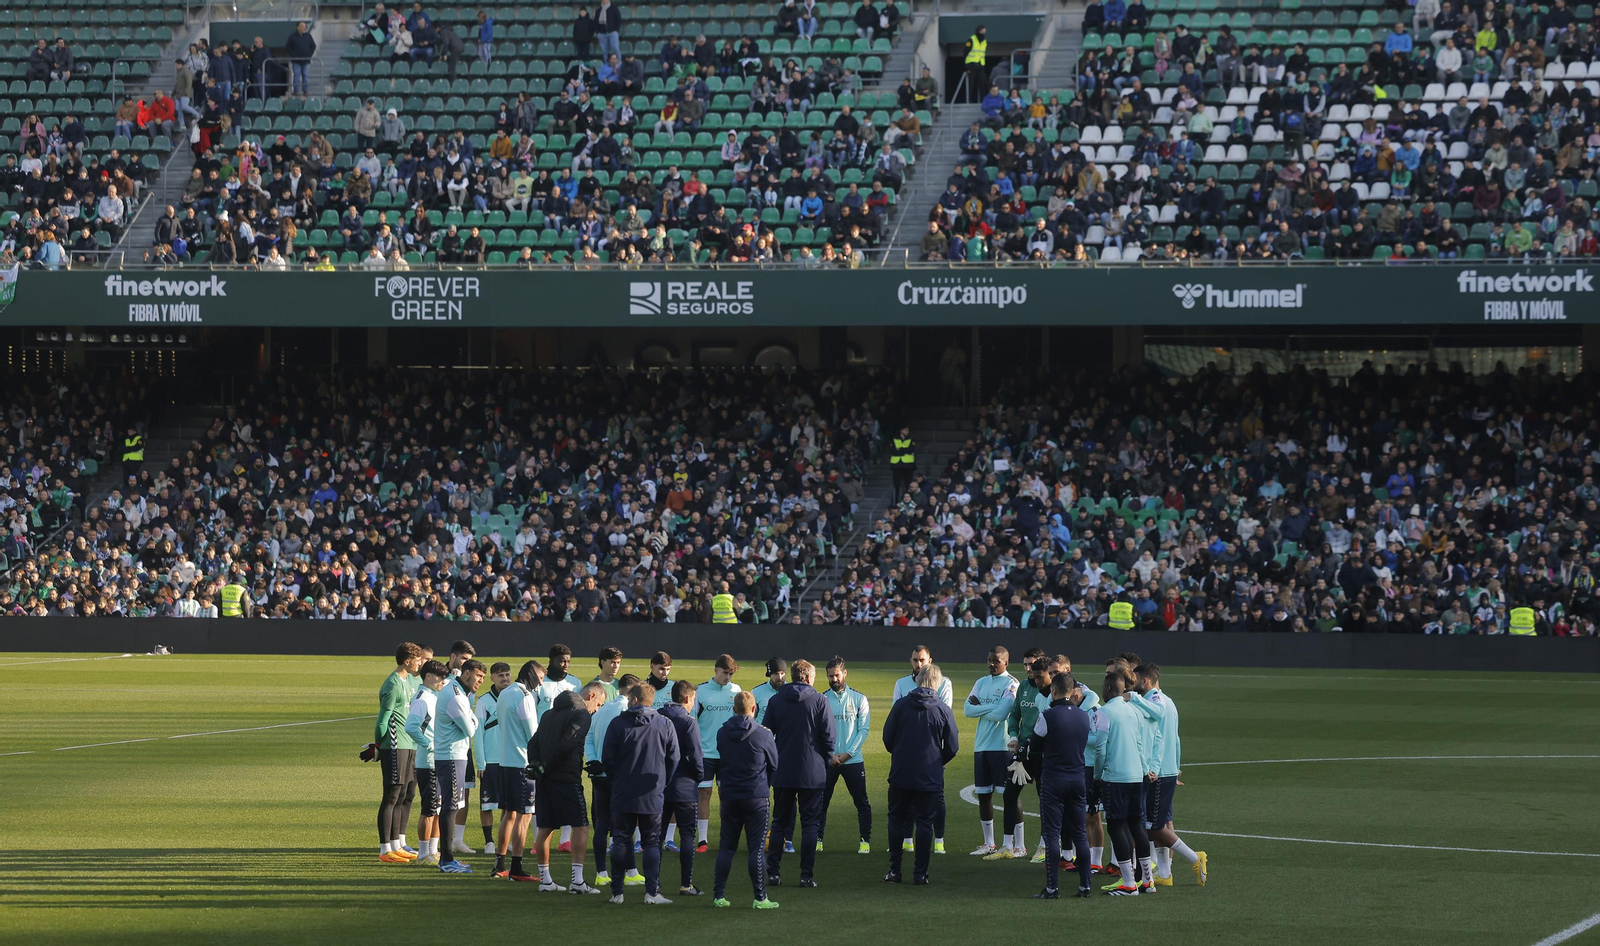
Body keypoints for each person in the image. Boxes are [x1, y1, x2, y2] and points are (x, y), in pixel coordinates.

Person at [604, 680, 680, 904]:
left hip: (623, 790)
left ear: (635, 699)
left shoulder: (617, 724)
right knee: (652, 841)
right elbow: (674, 758)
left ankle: (617, 892)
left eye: (629, 698)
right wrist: (662, 781)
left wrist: (617, 780)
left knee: (621, 840)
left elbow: (607, 759)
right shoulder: (664, 724)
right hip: (651, 791)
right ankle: (652, 892)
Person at [881, 662, 958, 884]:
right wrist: (936, 762)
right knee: (925, 824)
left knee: (896, 820)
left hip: (901, 772)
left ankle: (895, 870)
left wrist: (900, 755)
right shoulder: (943, 709)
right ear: (937, 684)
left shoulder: (901, 705)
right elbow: (953, 746)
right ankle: (920, 873)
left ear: (917, 679)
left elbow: (887, 737)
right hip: (929, 776)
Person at [762, 659, 835, 888]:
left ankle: (773, 873)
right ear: (809, 678)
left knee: (779, 822)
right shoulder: (820, 701)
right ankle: (806, 876)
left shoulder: (775, 700)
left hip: (783, 769)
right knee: (810, 824)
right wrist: (824, 760)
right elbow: (829, 738)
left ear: (793, 676)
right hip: (812, 772)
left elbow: (766, 734)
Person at [531, 681, 608, 893]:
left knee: (545, 828)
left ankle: (545, 881)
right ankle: (577, 881)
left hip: (545, 780)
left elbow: (533, 742)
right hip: (566, 777)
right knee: (581, 826)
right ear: (592, 696)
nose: (597, 710)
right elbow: (569, 743)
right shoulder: (582, 714)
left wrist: (536, 766)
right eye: (599, 704)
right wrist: (546, 767)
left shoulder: (548, 714)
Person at [1133, 663, 1206, 885]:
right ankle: (1164, 874)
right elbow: (1175, 739)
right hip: (1166, 770)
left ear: (1145, 680)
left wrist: (1133, 699)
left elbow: (1162, 730)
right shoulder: (1169, 701)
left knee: (1153, 827)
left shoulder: (1155, 702)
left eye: (1135, 679)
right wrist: (1176, 766)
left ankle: (1195, 857)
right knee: (1159, 823)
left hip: (1158, 773)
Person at [1096, 669, 1162, 895]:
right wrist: (1144, 770)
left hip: (1116, 777)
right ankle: (1147, 881)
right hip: (1136, 776)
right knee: (1137, 825)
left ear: (1107, 689)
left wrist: (1097, 776)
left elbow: (1100, 749)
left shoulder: (1104, 712)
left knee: (1116, 826)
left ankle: (1128, 882)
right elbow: (1140, 744)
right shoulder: (1133, 711)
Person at [1031, 671, 1096, 898]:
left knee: (1052, 834)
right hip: (1078, 780)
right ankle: (1085, 886)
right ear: (1073, 692)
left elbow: (1035, 746)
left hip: (1054, 781)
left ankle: (1052, 888)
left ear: (1054, 690)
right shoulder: (1084, 716)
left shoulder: (1047, 715)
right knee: (1080, 834)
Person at [713, 691, 780, 908]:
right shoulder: (763, 734)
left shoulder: (722, 733)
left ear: (734, 708)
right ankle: (760, 898)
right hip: (756, 797)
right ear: (754, 709)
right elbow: (774, 765)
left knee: (726, 847)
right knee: (756, 849)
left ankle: (719, 895)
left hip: (731, 796)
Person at [586, 674, 646, 888]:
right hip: (620, 776)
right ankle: (629, 872)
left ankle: (601, 873)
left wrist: (594, 761)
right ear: (634, 693)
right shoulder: (628, 713)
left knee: (602, 824)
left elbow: (589, 738)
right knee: (625, 826)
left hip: (599, 775)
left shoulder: (601, 711)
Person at [891, 645, 952, 853]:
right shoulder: (901, 683)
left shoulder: (944, 682)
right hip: (919, 754)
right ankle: (908, 841)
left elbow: (945, 714)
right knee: (909, 801)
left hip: (932, 752)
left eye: (922, 660)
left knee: (938, 798)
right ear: (911, 661)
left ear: (930, 661)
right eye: (915, 660)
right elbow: (895, 720)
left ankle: (939, 840)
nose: (919, 664)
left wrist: (939, 758)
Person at [491, 659, 544, 881]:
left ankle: (499, 865)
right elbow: (532, 733)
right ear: (532, 675)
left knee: (509, 814)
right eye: (540, 678)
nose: (540, 684)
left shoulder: (505, 693)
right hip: (523, 764)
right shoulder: (524, 697)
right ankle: (516, 868)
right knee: (524, 815)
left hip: (506, 761)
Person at [964, 645, 1019, 856]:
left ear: (1006, 662)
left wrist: (982, 708)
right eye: (989, 660)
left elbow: (1002, 714)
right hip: (982, 746)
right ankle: (989, 843)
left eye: (996, 661)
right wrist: (991, 708)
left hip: (1002, 746)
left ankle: (1016, 844)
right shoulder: (980, 682)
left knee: (1010, 796)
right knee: (984, 794)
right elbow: (967, 710)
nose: (991, 664)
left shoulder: (1011, 683)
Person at [997, 651, 1049, 861]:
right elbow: (1015, 713)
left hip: (1043, 754)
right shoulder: (1024, 687)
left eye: (1033, 665)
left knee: (1045, 800)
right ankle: (1008, 846)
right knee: (1009, 794)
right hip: (1023, 753)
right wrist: (1013, 736)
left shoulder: (1051, 691)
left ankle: (1045, 847)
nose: (1028, 670)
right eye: (1026, 665)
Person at [374, 642, 424, 863]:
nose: (419, 663)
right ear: (407, 661)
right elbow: (382, 721)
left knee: (403, 794)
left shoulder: (409, 680)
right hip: (394, 745)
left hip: (409, 744)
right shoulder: (393, 685)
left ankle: (396, 844)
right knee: (392, 795)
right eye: (417, 659)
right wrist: (378, 746)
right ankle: (385, 849)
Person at [433, 658, 481, 873]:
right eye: (478, 676)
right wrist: (474, 719)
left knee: (452, 805)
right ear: (467, 672)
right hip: (452, 755)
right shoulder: (454, 694)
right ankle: (446, 860)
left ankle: (447, 858)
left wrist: (472, 718)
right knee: (451, 806)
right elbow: (471, 729)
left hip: (453, 755)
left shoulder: (457, 691)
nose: (480, 681)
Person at [819, 656, 871, 854]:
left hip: (853, 760)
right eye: (830, 676)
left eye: (837, 675)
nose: (834, 679)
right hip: (829, 760)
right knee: (821, 802)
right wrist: (831, 755)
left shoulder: (859, 698)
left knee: (861, 802)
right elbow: (818, 731)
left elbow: (863, 730)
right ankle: (817, 839)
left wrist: (848, 754)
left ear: (845, 673)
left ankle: (865, 841)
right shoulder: (822, 699)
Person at [660, 681, 705, 895]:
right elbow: (696, 756)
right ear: (687, 698)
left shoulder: (656, 716)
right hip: (685, 786)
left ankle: (654, 884)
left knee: (655, 837)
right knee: (687, 835)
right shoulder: (688, 722)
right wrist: (698, 776)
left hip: (658, 785)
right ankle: (686, 884)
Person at [404, 659, 450, 866]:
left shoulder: (434, 696)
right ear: (429, 676)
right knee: (429, 808)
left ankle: (433, 850)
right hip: (428, 762)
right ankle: (423, 854)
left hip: (438, 761)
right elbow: (411, 727)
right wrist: (430, 745)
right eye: (440, 677)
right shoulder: (422, 699)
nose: (443, 681)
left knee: (438, 808)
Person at [694, 655, 742, 853]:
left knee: (727, 796)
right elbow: (692, 721)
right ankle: (702, 841)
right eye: (725, 673)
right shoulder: (701, 691)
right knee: (703, 794)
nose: (728, 677)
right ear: (716, 670)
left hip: (728, 754)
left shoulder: (737, 690)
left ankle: (726, 838)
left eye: (731, 674)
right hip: (705, 753)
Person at [538, 643, 580, 852]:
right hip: (544, 743)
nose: (565, 665)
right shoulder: (540, 682)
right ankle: (540, 840)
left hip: (566, 745)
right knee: (543, 792)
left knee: (564, 790)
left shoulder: (575, 683)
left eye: (568, 661)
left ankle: (565, 840)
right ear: (551, 660)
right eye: (561, 660)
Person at [473, 661, 511, 853]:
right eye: (501, 675)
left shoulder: (515, 697)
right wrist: (481, 762)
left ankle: (505, 841)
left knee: (507, 803)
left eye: (507, 675)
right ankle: (489, 842)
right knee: (487, 803)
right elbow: (477, 734)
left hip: (510, 760)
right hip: (490, 761)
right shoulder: (484, 701)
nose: (505, 679)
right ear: (493, 678)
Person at [963, 25, 988, 104]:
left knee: (982, 82)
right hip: (971, 63)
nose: (984, 32)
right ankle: (969, 100)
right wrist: (967, 62)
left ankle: (983, 99)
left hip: (980, 64)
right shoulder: (972, 39)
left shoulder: (984, 41)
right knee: (971, 82)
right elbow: (965, 51)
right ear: (979, 30)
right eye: (983, 30)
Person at [890, 425, 915, 497]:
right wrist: (904, 450)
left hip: (908, 465)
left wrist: (900, 449)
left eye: (908, 430)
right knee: (896, 485)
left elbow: (911, 449)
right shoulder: (894, 439)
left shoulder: (910, 439)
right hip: (897, 465)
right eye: (906, 430)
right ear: (901, 431)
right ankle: (895, 502)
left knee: (908, 485)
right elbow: (892, 450)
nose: (907, 432)